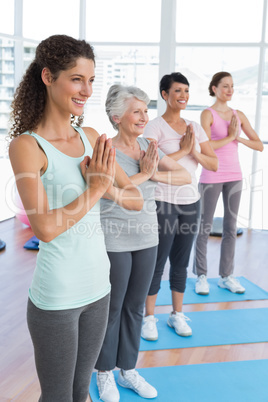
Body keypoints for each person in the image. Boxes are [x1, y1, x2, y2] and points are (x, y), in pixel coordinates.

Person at [8, 35, 142, 402]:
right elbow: (45, 229)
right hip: (57, 297)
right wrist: (95, 189)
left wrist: (102, 186)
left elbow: (134, 200)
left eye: (92, 80)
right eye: (77, 78)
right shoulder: (27, 146)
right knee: (57, 397)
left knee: (81, 393)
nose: (86, 90)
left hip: (99, 287)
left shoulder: (93, 137)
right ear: (48, 77)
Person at [95, 84, 191, 402]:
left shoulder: (149, 147)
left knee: (136, 307)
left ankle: (128, 370)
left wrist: (153, 174)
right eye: (136, 111)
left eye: (144, 110)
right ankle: (104, 372)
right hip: (114, 238)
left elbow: (184, 176)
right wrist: (145, 174)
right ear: (116, 116)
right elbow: (108, 189)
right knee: (113, 308)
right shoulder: (105, 149)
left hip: (148, 236)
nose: (143, 116)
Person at [141, 72, 218, 341]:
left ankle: (176, 314)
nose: (183, 95)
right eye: (177, 91)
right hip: (163, 201)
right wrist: (184, 152)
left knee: (181, 262)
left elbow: (213, 164)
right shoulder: (154, 127)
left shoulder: (194, 127)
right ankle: (149, 317)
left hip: (190, 202)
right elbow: (151, 164)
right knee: (157, 261)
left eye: (186, 90)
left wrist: (193, 150)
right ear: (164, 94)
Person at [193, 71, 263, 295]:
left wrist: (238, 137)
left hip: (234, 175)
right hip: (211, 175)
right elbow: (204, 147)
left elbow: (259, 145)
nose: (229, 90)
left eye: (232, 86)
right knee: (204, 227)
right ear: (214, 88)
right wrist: (230, 138)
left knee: (230, 227)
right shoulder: (207, 114)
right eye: (225, 86)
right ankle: (201, 275)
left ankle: (226, 276)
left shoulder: (238, 115)